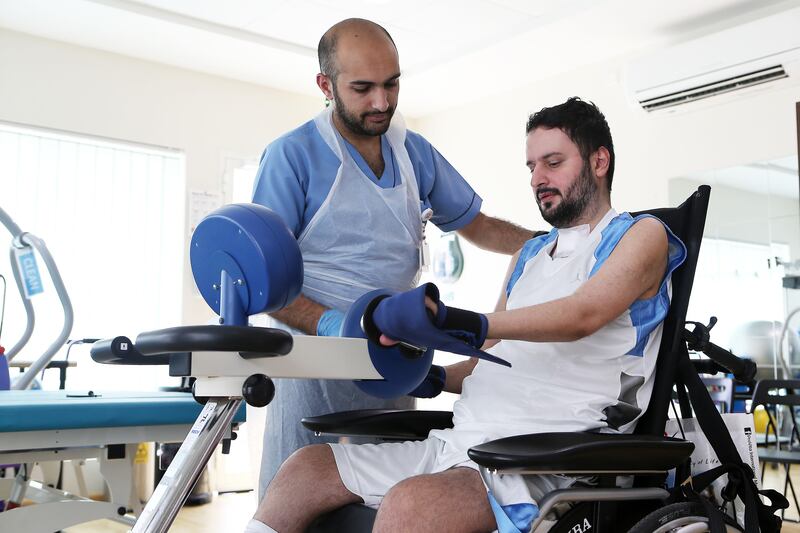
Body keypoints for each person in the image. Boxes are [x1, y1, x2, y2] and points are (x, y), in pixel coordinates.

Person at [244, 97, 687, 533]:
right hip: (465, 444)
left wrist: (468, 322)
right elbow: (484, 359)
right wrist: (430, 377)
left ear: (599, 161)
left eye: (553, 162)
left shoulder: (641, 235)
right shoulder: (529, 254)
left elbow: (582, 315)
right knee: (306, 470)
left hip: (552, 458)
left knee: (412, 505)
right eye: (531, 167)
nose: (538, 178)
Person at [251, 18, 535, 499]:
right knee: (297, 499)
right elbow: (264, 286)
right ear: (326, 85)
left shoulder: (413, 153)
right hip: (314, 365)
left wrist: (559, 244)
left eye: (392, 84)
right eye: (363, 88)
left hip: (392, 360)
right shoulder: (291, 156)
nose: (381, 102)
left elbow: (479, 226)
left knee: (386, 502)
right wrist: (335, 326)